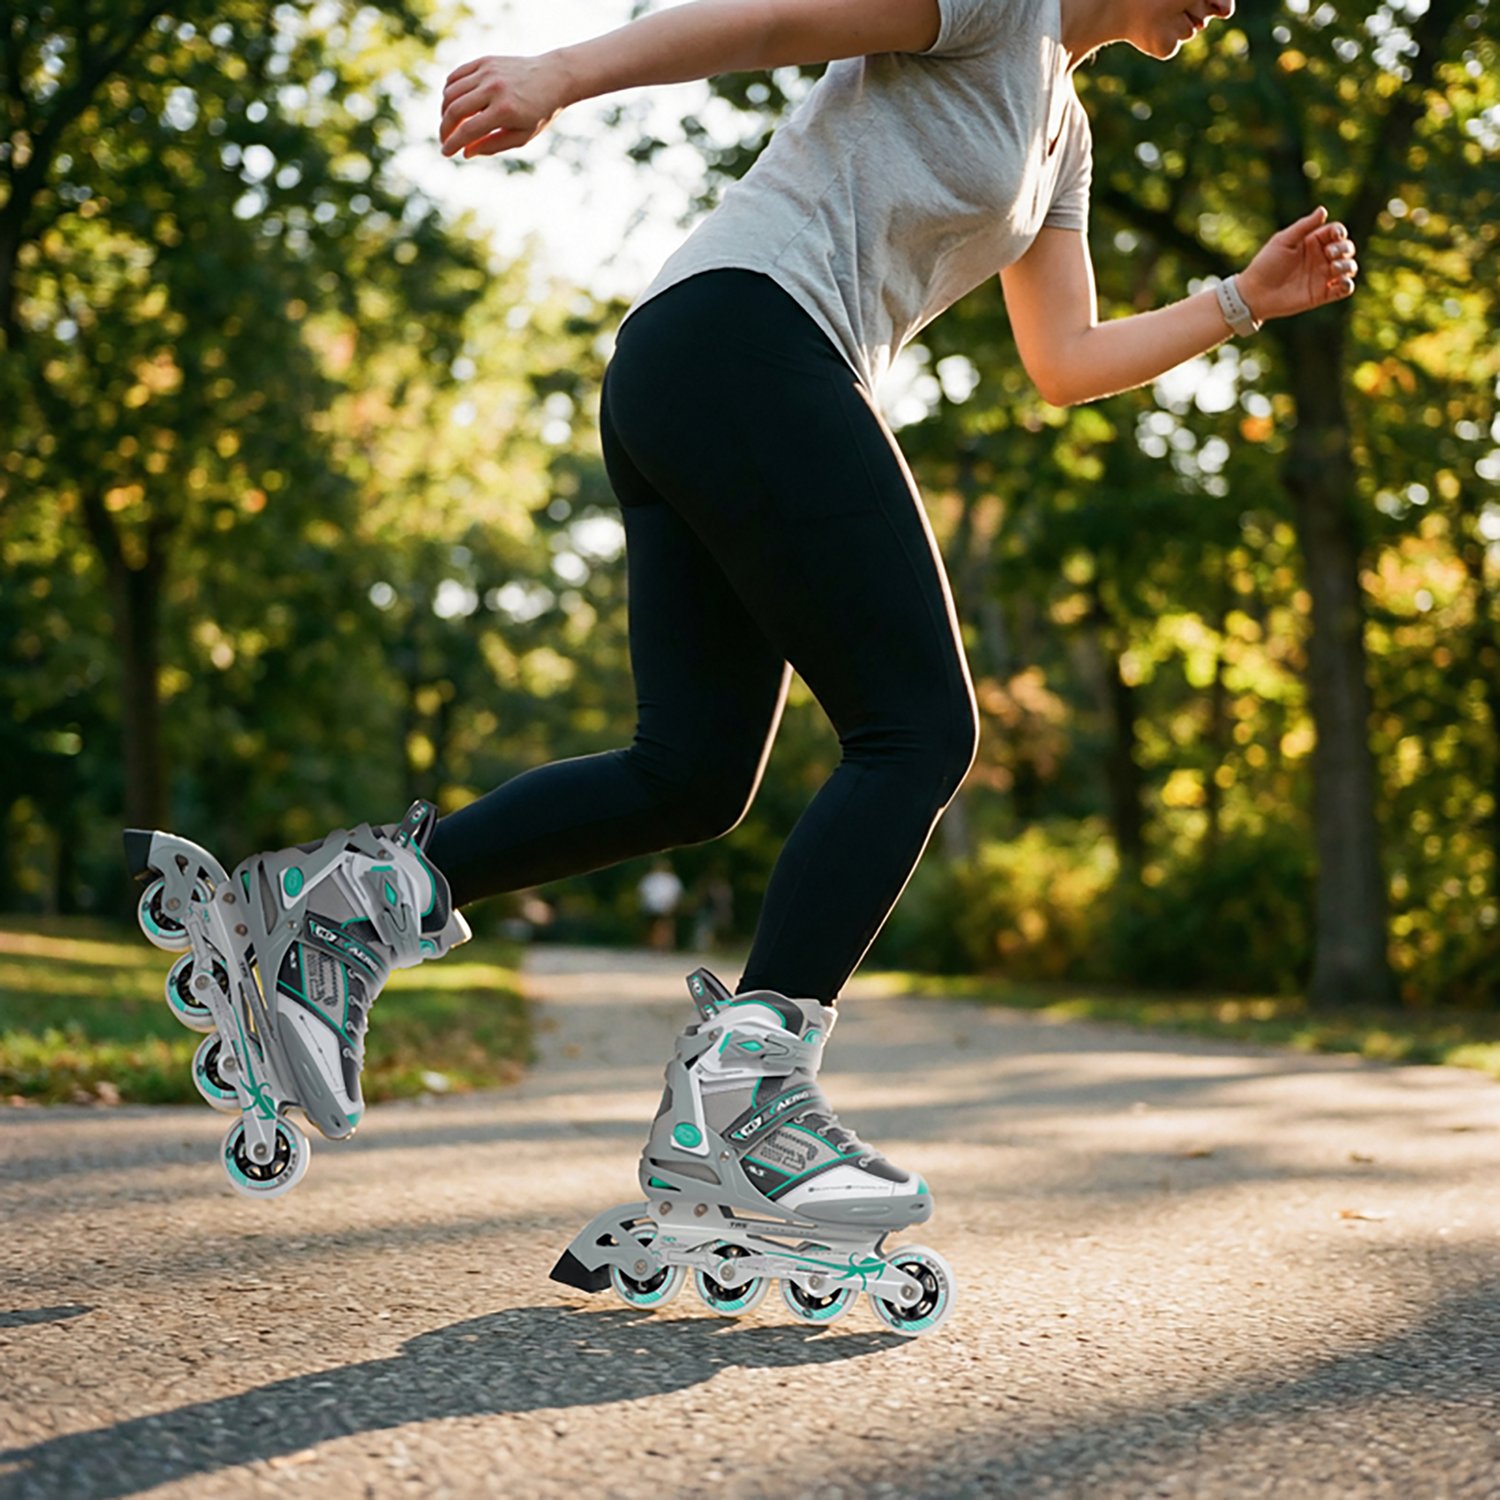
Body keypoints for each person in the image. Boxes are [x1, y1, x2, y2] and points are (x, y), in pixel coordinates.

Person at [137, 0, 1360, 1291]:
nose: (1228, 1)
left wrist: (1242, 299)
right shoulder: (997, 5)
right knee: (921, 731)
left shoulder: (1063, 122)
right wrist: (559, 73)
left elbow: (1060, 359)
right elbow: (777, 18)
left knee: (695, 775)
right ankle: (742, 1113)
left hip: (707, 369)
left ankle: (343, 911)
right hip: (746, 339)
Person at [637, 857, 685, 951]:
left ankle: (664, 945)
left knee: (664, 926)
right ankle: (654, 945)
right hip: (653, 907)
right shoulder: (650, 878)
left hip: (664, 906)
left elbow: (676, 893)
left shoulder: (670, 879)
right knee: (655, 927)